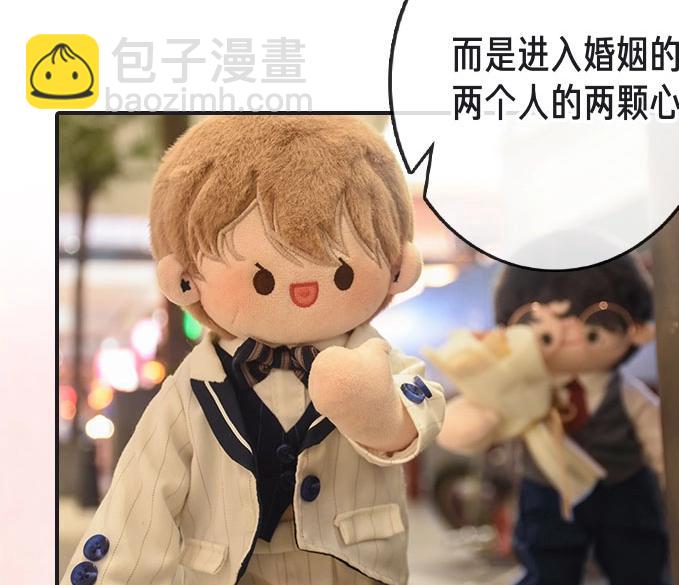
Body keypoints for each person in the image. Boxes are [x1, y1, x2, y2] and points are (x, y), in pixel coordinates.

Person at [62, 115, 445, 585]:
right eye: (263, 279)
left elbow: (422, 412)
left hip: (357, 568)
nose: (303, 292)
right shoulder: (189, 391)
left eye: (341, 274)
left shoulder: (377, 360)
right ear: (184, 278)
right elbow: (142, 493)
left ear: (399, 267)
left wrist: (376, 411)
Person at [438, 256, 668, 585]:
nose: (571, 337)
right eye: (547, 334)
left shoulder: (627, 395)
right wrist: (476, 419)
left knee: (639, 561)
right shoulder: (525, 388)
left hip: (624, 489)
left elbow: (659, 440)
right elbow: (480, 418)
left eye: (593, 330)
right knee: (546, 563)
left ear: (636, 329)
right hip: (548, 491)